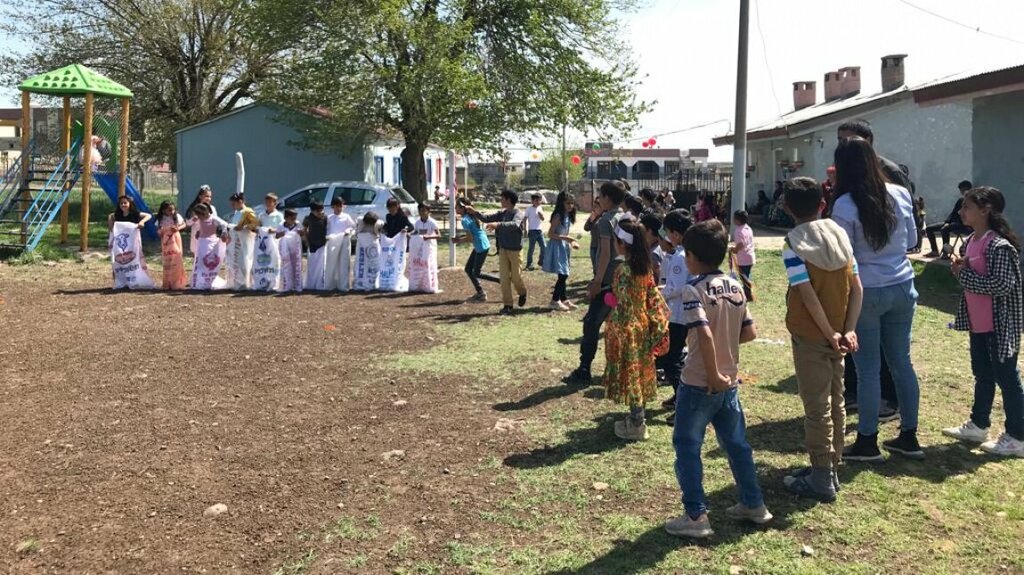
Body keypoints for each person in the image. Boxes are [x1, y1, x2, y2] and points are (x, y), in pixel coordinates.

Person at [664, 219, 771, 539]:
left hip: (701, 382)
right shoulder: (736, 285)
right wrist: (724, 361)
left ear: (693, 257)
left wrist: (711, 372)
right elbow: (749, 333)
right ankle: (754, 503)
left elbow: (705, 335)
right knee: (737, 445)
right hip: (730, 384)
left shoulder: (693, 290)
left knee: (686, 446)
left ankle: (696, 516)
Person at [831, 136, 922, 462]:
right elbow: (912, 239)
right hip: (902, 285)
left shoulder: (843, 205)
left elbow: (843, 255)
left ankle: (867, 440)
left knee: (868, 371)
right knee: (901, 362)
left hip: (865, 291)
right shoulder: (900, 193)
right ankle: (909, 436)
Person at [779, 177, 864, 502]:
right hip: (842, 334)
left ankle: (821, 477)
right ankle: (831, 465)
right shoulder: (839, 234)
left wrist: (828, 333)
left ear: (787, 208)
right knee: (837, 400)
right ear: (822, 204)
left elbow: (807, 295)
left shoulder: (793, 243)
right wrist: (848, 329)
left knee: (816, 407)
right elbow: (857, 287)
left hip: (813, 335)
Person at [943, 187, 1024, 457]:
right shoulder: (970, 242)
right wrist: (961, 266)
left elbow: (1002, 285)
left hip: (1000, 327)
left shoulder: (999, 246)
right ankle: (978, 424)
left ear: (985, 209)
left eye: (967, 207)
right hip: (979, 325)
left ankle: (1017, 436)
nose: (961, 211)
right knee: (983, 375)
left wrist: (962, 275)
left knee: (1007, 379)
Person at [603, 217, 669, 440]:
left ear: (622, 244)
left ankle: (637, 424)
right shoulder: (645, 268)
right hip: (641, 325)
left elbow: (619, 301)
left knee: (630, 374)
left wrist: (608, 299)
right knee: (639, 372)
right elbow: (651, 297)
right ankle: (638, 418)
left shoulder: (623, 270)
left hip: (626, 329)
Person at [563, 181, 627, 385]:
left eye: (600, 195)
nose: (598, 199)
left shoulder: (605, 221)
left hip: (608, 279)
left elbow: (605, 253)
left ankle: (584, 369)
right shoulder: (625, 217)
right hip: (622, 277)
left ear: (607, 198)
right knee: (617, 324)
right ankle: (618, 368)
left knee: (592, 323)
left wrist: (597, 281)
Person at [464, 190, 527, 315]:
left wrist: (497, 225)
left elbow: (514, 225)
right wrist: (474, 212)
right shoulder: (502, 213)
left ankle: (522, 292)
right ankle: (508, 305)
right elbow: (487, 218)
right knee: (504, 279)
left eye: (502, 198)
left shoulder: (518, 213)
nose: (500, 200)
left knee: (516, 278)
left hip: (515, 251)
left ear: (509, 200)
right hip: (503, 250)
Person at [656, 209, 693, 411]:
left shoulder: (680, 256)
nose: (667, 237)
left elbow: (676, 288)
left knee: (672, 358)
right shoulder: (686, 252)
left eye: (668, 232)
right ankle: (679, 396)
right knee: (672, 356)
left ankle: (682, 400)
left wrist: (658, 294)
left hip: (678, 316)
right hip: (681, 313)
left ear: (676, 234)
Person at [542, 191, 580, 311]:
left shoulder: (567, 216)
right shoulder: (558, 216)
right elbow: (550, 234)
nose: (570, 206)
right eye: (568, 203)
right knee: (563, 274)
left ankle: (563, 299)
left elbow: (565, 234)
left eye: (572, 203)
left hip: (564, 246)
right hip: (557, 246)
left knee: (564, 273)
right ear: (561, 203)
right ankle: (554, 300)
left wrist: (571, 242)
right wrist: (566, 238)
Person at [456, 199, 499, 301]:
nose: (455, 208)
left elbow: (470, 238)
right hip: (482, 244)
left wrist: (458, 240)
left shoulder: (465, 220)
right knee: (468, 269)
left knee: (476, 273)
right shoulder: (471, 216)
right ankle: (480, 293)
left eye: (457, 206)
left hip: (480, 246)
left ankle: (500, 280)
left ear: (462, 208)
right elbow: (474, 233)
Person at [924, 180, 973, 258]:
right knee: (929, 228)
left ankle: (945, 253)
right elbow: (953, 213)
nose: (961, 192)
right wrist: (947, 221)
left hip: (964, 225)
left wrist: (948, 223)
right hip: (953, 222)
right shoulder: (961, 200)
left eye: (962, 190)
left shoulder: (972, 201)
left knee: (945, 229)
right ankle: (934, 251)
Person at [155, 200, 187, 290]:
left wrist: (177, 228)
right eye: (169, 210)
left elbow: (184, 224)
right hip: (166, 240)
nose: (172, 212)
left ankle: (177, 282)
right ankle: (168, 282)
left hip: (176, 238)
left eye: (173, 210)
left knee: (177, 258)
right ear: (163, 210)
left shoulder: (176, 216)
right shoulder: (160, 219)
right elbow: (158, 230)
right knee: (167, 260)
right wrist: (161, 232)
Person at [730, 210, 756, 301]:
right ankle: (747, 293)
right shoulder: (748, 228)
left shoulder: (738, 231)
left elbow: (741, 244)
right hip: (750, 257)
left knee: (744, 278)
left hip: (743, 259)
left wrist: (734, 250)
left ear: (737, 220)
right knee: (747, 275)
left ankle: (748, 295)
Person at [302, 201, 329, 290]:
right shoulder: (308, 218)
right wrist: (306, 241)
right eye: (317, 211)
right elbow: (305, 230)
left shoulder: (325, 218)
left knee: (321, 266)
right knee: (312, 265)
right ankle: (311, 284)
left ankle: (320, 284)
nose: (320, 212)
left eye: (321, 210)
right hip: (312, 244)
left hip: (322, 244)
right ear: (312, 211)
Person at [524, 193, 546, 271]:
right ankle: (529, 264)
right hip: (532, 231)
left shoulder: (540, 208)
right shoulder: (529, 209)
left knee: (544, 247)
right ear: (532, 201)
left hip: (539, 231)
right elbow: (525, 219)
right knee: (531, 249)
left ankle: (541, 261)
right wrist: (525, 230)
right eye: (536, 200)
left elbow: (543, 219)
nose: (538, 202)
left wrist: (541, 215)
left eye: (539, 200)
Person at [584, 200, 605, 272]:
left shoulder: (604, 217)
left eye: (596, 207)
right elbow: (586, 228)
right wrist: (590, 221)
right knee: (594, 266)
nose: (593, 208)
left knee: (599, 266)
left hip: (600, 247)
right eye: (593, 206)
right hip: (593, 245)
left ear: (602, 207)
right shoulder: (593, 216)